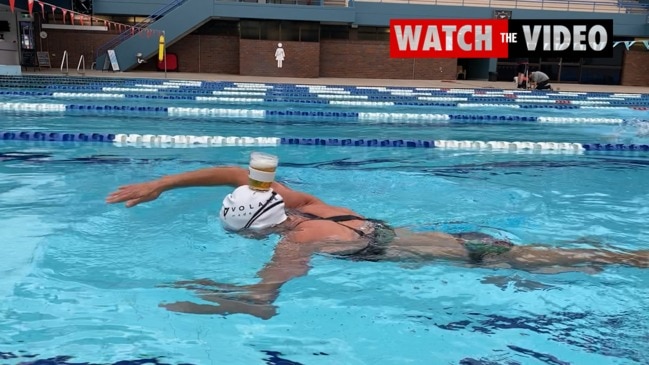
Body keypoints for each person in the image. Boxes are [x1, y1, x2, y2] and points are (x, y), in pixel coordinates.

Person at [106, 165, 648, 319]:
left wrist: (203, 295)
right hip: (461, 242)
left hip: (460, 256)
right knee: (574, 258)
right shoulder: (315, 205)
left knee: (576, 262)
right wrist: (163, 183)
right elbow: (235, 171)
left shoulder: (298, 242)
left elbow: (261, 304)